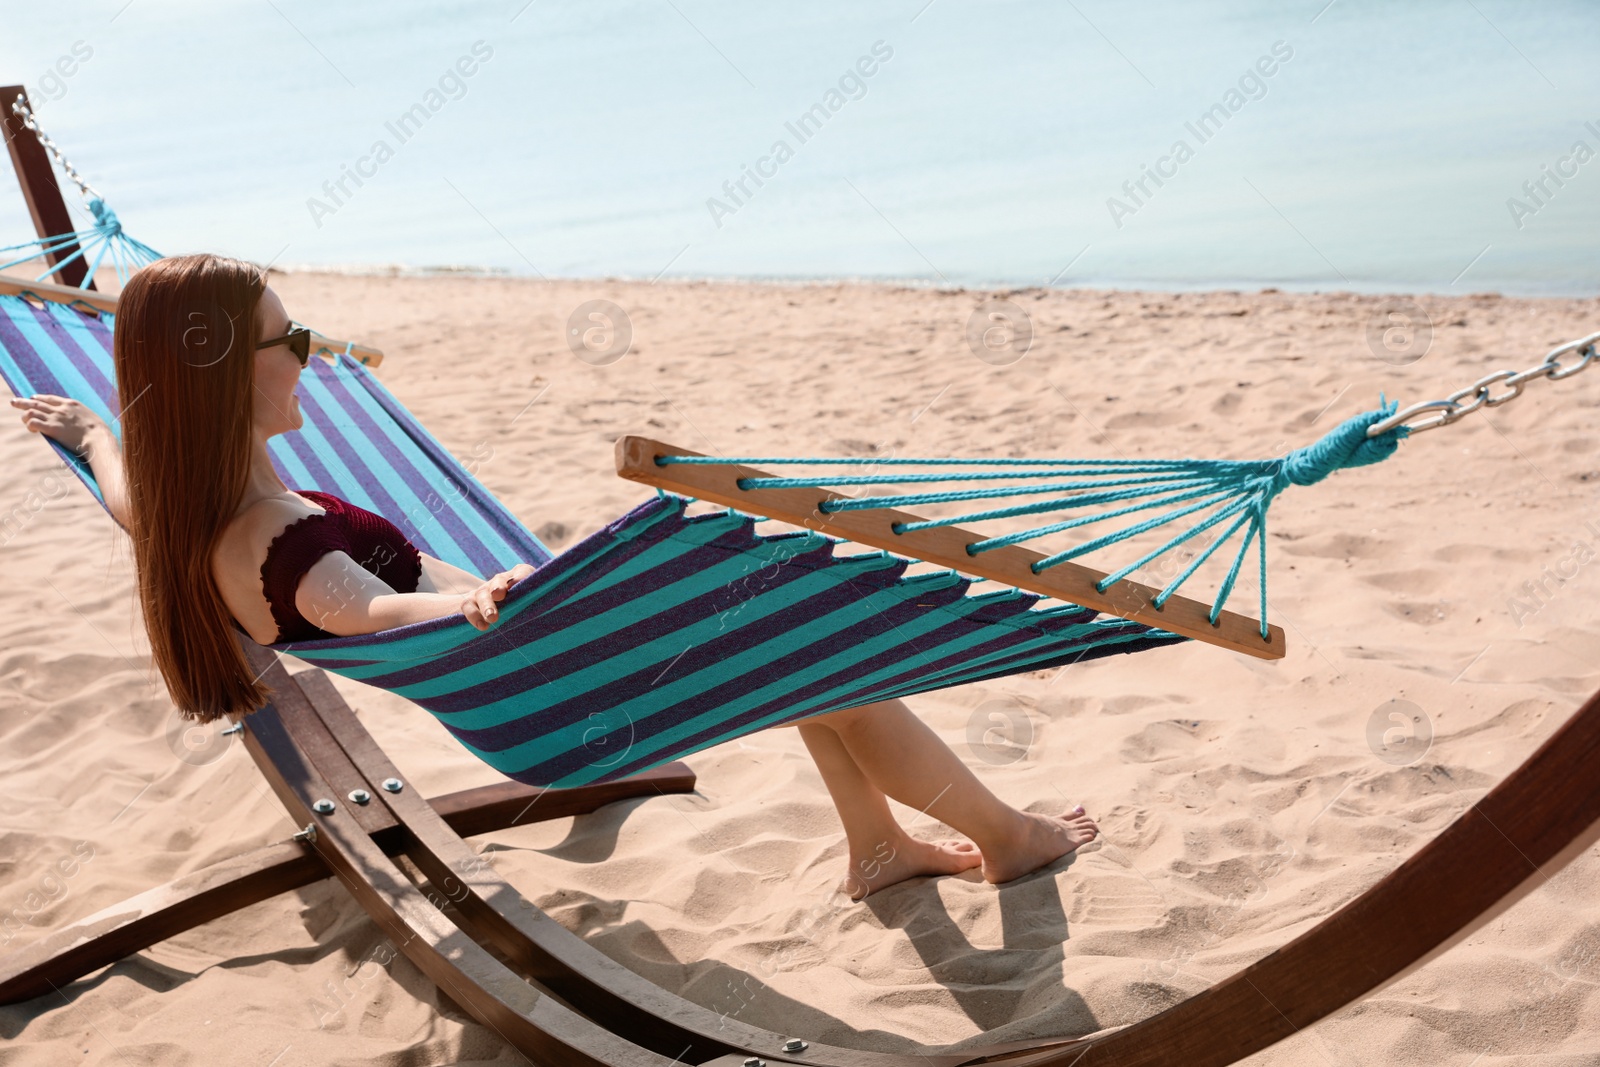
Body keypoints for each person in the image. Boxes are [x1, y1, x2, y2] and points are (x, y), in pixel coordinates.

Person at [11, 252, 1098, 899]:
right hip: (560, 694)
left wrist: (95, 433)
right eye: (282, 336)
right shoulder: (267, 539)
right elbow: (365, 605)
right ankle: (1005, 837)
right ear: (216, 379)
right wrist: (465, 600)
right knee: (815, 637)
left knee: (780, 629)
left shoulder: (187, 519)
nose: (307, 349)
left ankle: (877, 845)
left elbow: (131, 501)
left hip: (527, 660)